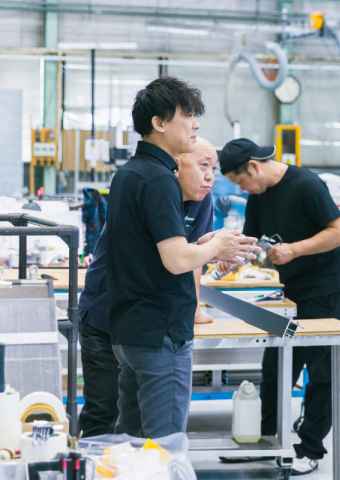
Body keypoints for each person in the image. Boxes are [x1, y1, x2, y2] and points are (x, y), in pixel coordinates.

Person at [106, 77, 261, 438]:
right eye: (188, 115)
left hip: (129, 333)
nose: (196, 125)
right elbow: (175, 260)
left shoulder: (128, 174)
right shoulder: (160, 179)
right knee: (165, 447)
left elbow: (147, 250)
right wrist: (216, 247)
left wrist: (204, 243)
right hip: (160, 334)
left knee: (134, 444)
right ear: (159, 122)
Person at [217, 138, 340, 475]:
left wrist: (295, 249)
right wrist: (230, 258)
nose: (242, 189)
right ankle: (264, 440)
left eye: (241, 182)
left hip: (327, 291)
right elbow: (252, 242)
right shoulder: (258, 197)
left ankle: (310, 449)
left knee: (321, 374)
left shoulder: (307, 184)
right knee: (276, 368)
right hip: (291, 294)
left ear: (253, 167)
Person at [78, 137, 219, 437]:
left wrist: (193, 309)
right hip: (106, 313)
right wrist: (216, 247)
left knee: (138, 426)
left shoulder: (201, 199)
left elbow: (194, 257)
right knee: (104, 413)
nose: (210, 176)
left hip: (143, 322)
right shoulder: (153, 188)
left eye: (214, 169)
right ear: (176, 165)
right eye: (203, 165)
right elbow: (178, 258)